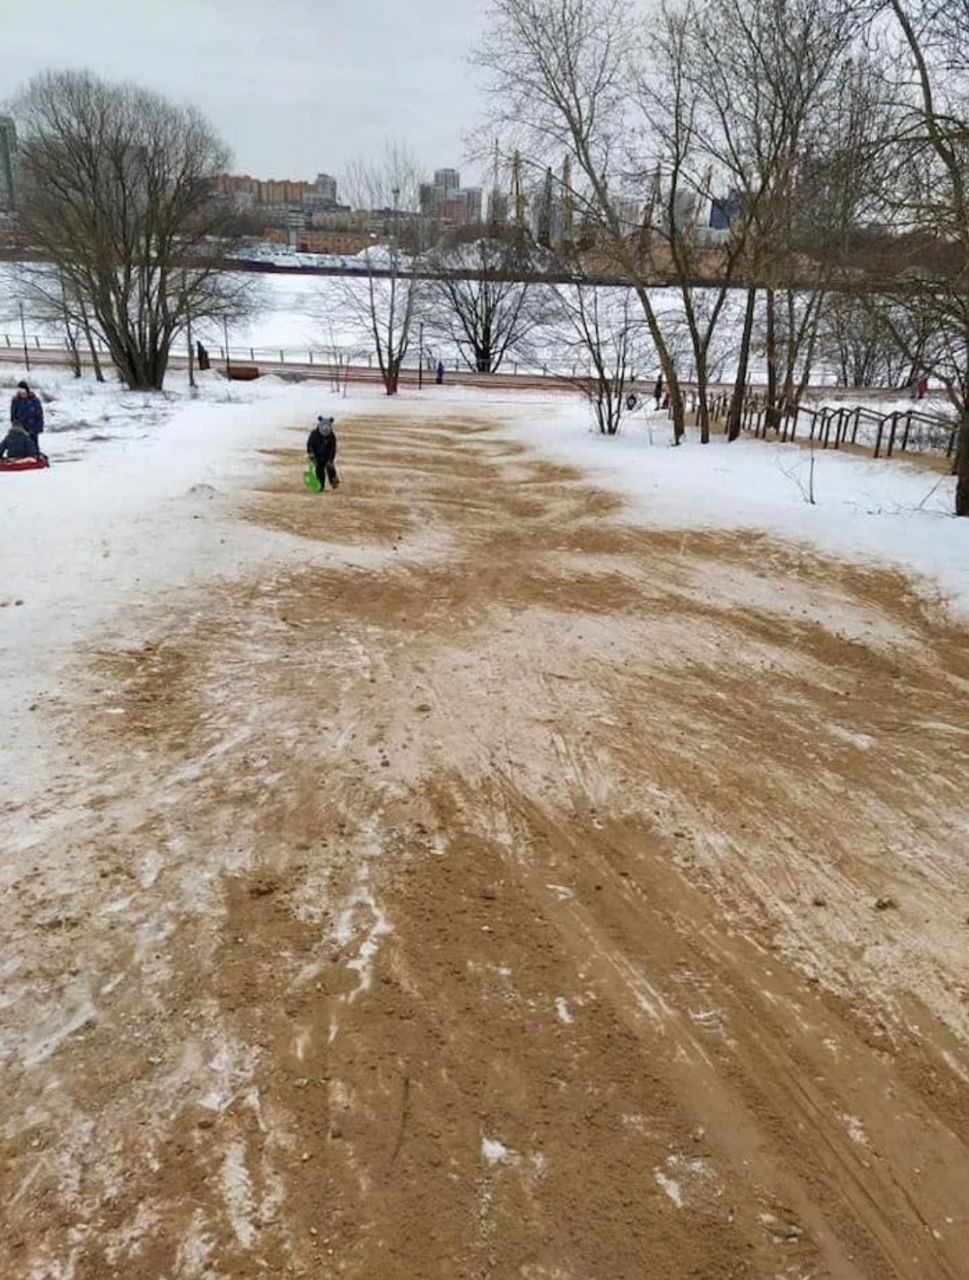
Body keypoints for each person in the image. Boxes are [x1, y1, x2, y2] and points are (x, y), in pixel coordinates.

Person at [306, 416, 339, 491]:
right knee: (319, 470)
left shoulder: (331, 436)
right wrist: (311, 454)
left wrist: (331, 458)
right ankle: (321, 485)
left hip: (327, 456)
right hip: (317, 456)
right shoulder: (314, 434)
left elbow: (333, 449)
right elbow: (310, 445)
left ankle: (334, 482)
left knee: (330, 467)